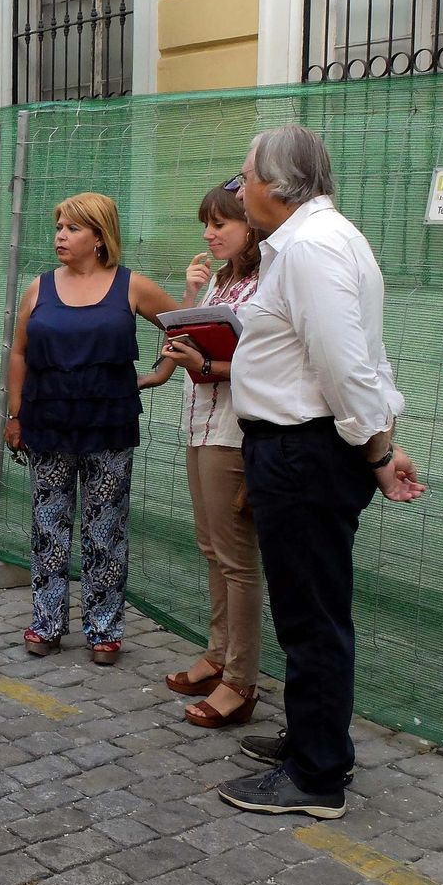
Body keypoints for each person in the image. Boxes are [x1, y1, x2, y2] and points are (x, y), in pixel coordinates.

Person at [216, 124, 424, 820]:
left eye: (244, 178)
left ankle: (317, 776)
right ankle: (316, 739)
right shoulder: (320, 242)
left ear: (278, 186)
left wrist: (376, 450)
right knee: (310, 608)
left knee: (311, 617)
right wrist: (380, 446)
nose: (238, 189)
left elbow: (346, 367)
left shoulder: (309, 248)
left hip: (304, 453)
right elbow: (361, 357)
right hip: (307, 448)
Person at [5, 192, 177, 665]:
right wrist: (15, 415)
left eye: (72, 228)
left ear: (99, 238)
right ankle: (46, 623)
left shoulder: (132, 286)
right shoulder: (38, 288)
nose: (60, 235)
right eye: (58, 226)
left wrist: (162, 371)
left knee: (106, 531)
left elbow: (182, 328)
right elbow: (19, 352)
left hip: (109, 427)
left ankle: (104, 630)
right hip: (48, 426)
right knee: (48, 528)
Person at [139, 184, 265, 726]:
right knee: (210, 547)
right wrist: (191, 301)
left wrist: (207, 365)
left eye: (221, 224)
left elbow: (267, 365)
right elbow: (200, 342)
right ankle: (217, 654)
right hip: (201, 424)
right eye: (207, 224)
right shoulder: (220, 279)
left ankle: (241, 680)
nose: (209, 234)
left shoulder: (268, 283)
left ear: (251, 226)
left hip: (235, 431)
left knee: (238, 561)